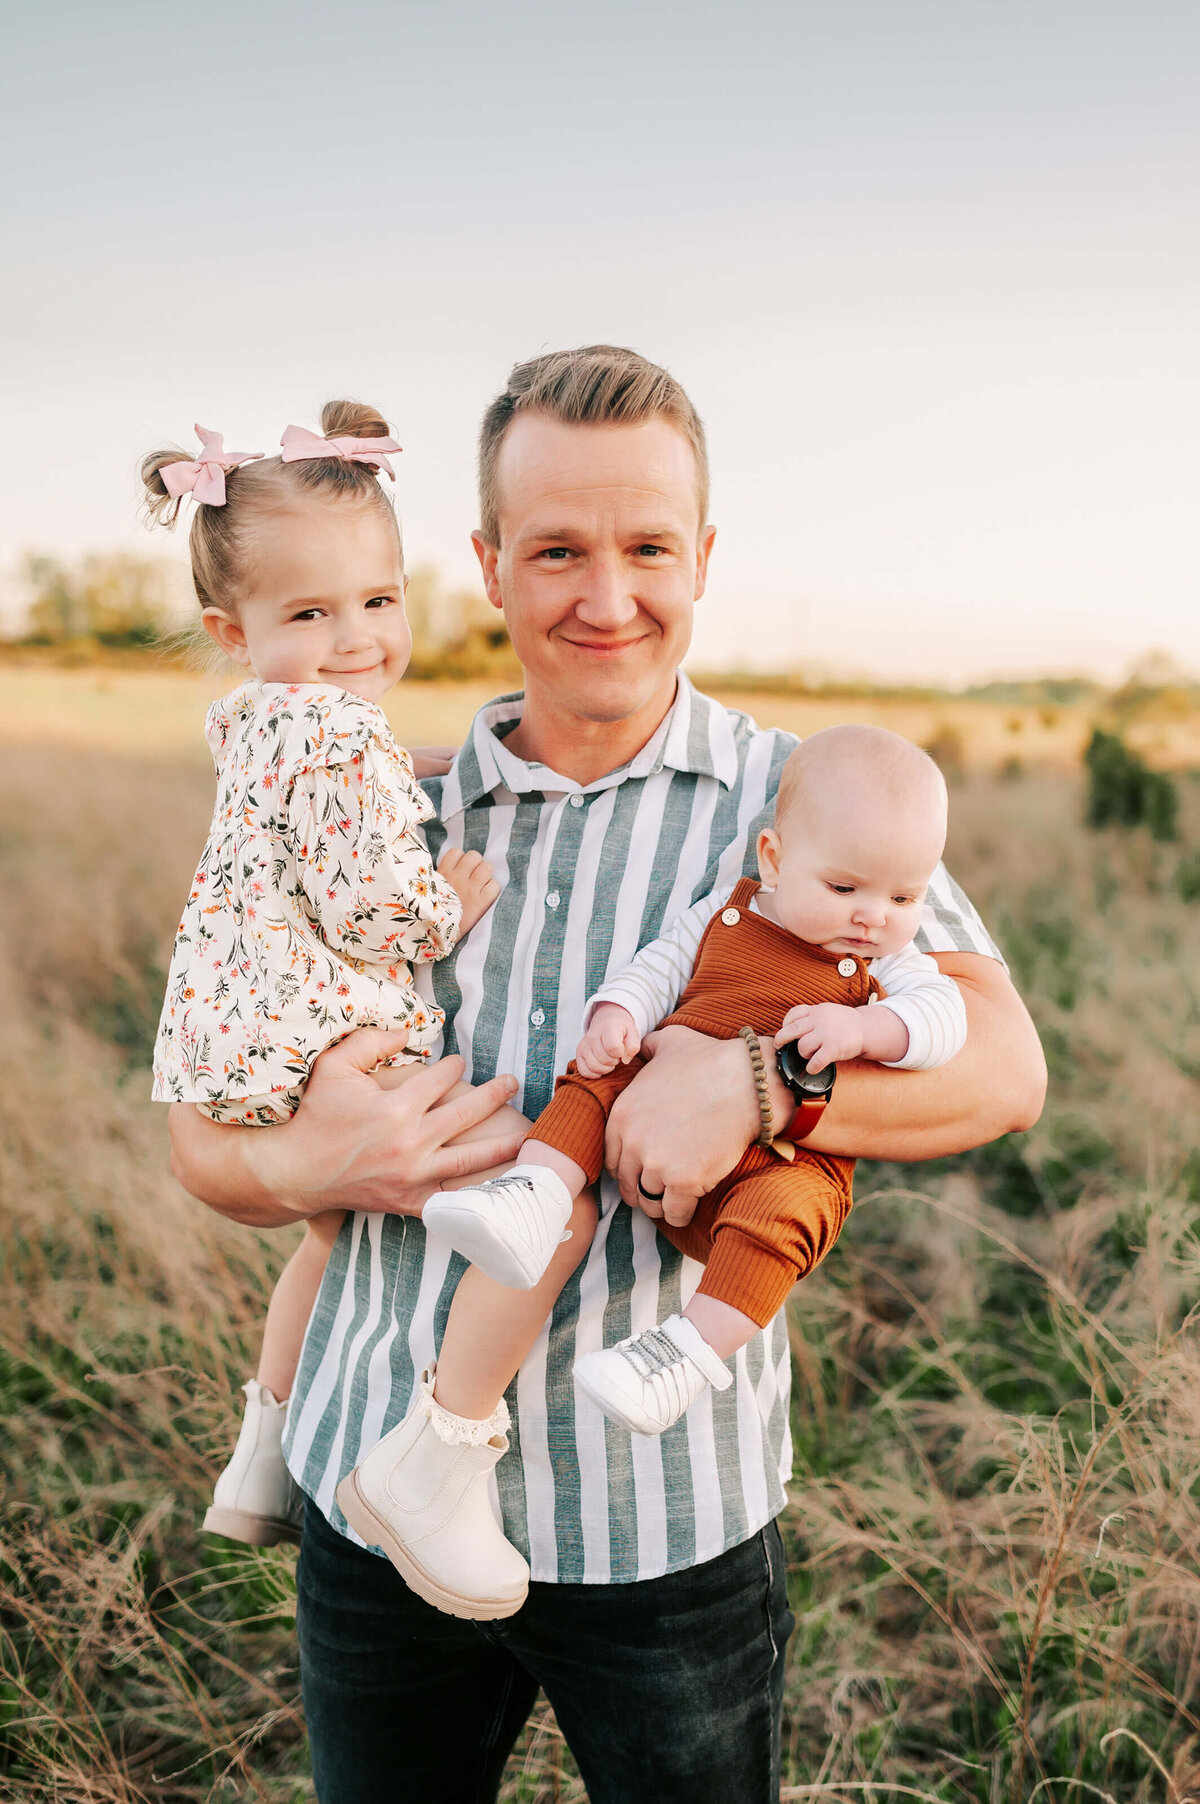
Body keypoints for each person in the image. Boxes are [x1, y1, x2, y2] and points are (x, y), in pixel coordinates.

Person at [168, 346, 1046, 1804]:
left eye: (648, 547)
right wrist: (308, 1169)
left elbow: (1001, 1070)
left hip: (663, 1531)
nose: (606, 594)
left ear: (703, 559)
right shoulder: (387, 809)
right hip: (369, 1499)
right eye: (557, 549)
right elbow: (204, 1131)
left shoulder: (807, 801)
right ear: (490, 567)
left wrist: (763, 1090)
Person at [338, 724, 971, 1615]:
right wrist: (618, 1013)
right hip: (654, 1088)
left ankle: (682, 1352)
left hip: (773, 1165)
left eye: (904, 896)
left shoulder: (885, 964)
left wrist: (867, 1034)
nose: (874, 914)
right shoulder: (733, 909)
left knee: (787, 1218)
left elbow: (953, 1025)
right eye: (846, 889)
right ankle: (537, 1188)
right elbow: (662, 965)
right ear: (774, 857)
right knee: (596, 1075)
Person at [144, 401, 516, 1548]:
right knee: (512, 1189)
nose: (358, 636)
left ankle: (264, 1442)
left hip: (231, 1034)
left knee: (325, 1235)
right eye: (312, 611)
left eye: (380, 599)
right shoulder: (343, 734)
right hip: (323, 1025)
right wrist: (438, 905)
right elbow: (365, 901)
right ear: (234, 623)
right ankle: (442, 1451)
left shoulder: (261, 722)